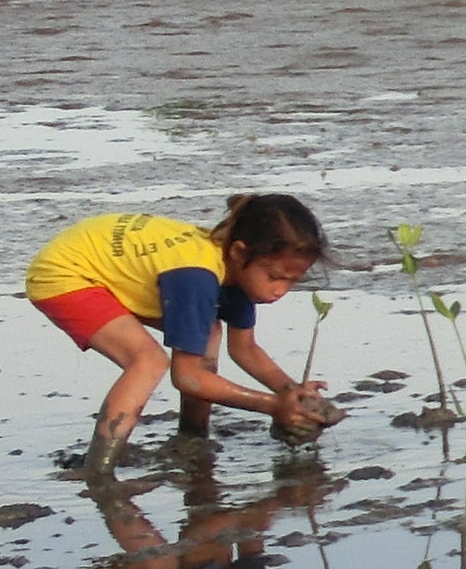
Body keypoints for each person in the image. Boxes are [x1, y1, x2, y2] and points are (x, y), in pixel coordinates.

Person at [23, 196, 337, 464]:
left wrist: (291, 393)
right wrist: (271, 406)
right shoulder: (196, 278)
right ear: (239, 252)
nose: (280, 290)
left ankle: (191, 438)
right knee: (147, 360)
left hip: (116, 267)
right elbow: (185, 375)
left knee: (208, 329)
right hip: (65, 274)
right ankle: (98, 468)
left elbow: (245, 349)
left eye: (292, 281)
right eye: (274, 276)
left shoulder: (236, 271)